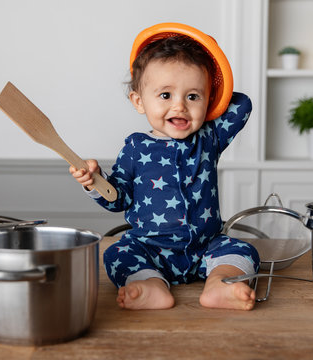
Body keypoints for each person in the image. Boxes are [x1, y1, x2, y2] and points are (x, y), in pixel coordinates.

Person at [69, 23, 260, 311]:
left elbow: (242, 104)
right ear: (139, 101)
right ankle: (150, 284)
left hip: (205, 248)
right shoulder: (135, 148)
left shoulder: (210, 137)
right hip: (150, 249)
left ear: (209, 101)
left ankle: (220, 283)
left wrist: (212, 70)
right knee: (117, 252)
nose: (180, 106)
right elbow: (118, 198)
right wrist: (93, 181)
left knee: (243, 250)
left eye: (193, 96)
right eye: (165, 95)